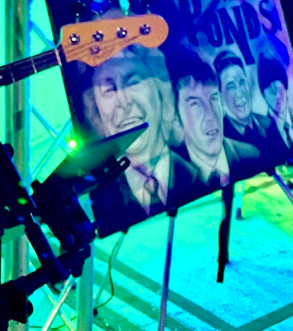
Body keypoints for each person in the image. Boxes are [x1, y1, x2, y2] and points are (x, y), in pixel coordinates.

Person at [83, 45, 199, 235]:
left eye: (133, 83)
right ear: (96, 112)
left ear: (162, 94)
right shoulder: (102, 201)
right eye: (109, 89)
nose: (124, 102)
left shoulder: (201, 176)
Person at [169, 49, 260, 190]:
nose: (210, 115)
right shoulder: (171, 182)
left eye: (214, 98)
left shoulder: (251, 156)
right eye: (195, 104)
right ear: (176, 117)